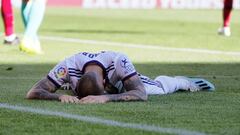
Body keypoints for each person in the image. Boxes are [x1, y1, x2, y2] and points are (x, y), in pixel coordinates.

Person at [26, 51, 215, 104]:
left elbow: (141, 94)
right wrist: (58, 96)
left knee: (158, 89)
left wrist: (106, 97)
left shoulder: (118, 60)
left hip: (123, 83)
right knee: (62, 89)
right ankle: (66, 88)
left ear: (105, 83)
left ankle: (182, 81)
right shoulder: (67, 66)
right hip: (88, 84)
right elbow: (33, 92)